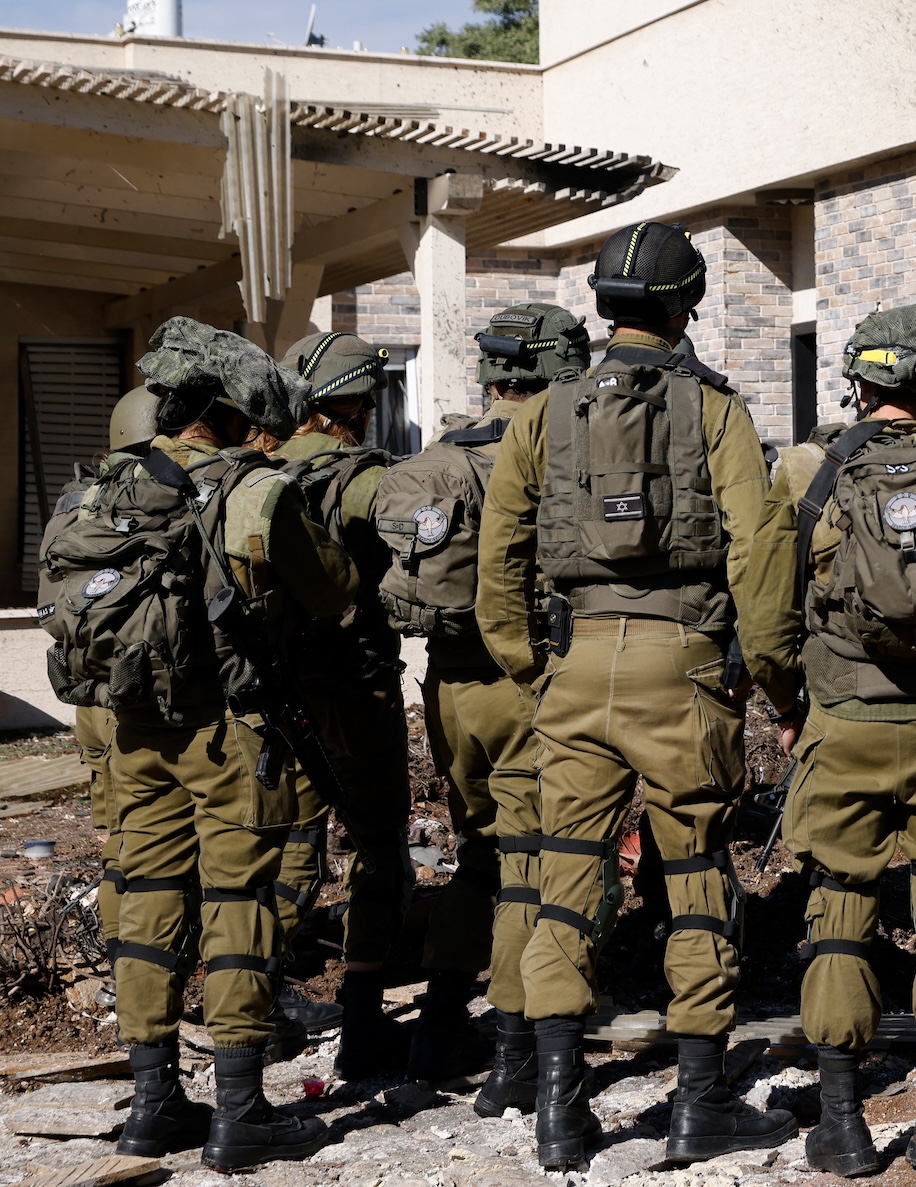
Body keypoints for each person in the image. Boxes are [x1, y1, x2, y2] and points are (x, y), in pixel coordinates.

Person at [476, 221, 795, 1170]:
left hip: (575, 666)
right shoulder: (717, 411)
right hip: (685, 662)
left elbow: (501, 558)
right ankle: (701, 1107)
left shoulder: (543, 411)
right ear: (685, 303)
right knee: (694, 876)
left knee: (566, 878)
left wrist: (533, 668)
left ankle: (561, 1116)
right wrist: (774, 674)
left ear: (603, 306)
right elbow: (761, 550)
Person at [40, 317, 353, 1168]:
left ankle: (153, 1102)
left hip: (132, 728)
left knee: (145, 902)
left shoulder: (96, 491)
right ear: (222, 407)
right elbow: (332, 589)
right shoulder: (253, 490)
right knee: (237, 903)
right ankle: (241, 1107)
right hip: (228, 733)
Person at [742, 305, 916, 1176]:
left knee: (839, 910)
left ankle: (845, 1126)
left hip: (842, 720)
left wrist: (789, 704)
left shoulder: (806, 467)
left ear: (859, 379)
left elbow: (763, 608)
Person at [381, 305, 591, 1089]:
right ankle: (512, 1052)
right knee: (528, 864)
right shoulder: (554, 452)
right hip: (523, 679)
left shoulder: (441, 453)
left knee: (476, 856)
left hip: (448, 690)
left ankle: (438, 1027)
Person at [272, 331, 417, 1078]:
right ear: (354, 400)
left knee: (290, 842)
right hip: (356, 688)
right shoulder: (368, 478)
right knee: (378, 846)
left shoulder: (256, 470)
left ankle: (256, 1004)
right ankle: (363, 1021)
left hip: (277, 693)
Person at [78, 386, 161, 970]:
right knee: (153, 842)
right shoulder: (156, 497)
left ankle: (118, 961)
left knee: (118, 835)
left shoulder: (81, 499)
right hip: (140, 692)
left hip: (92, 692)